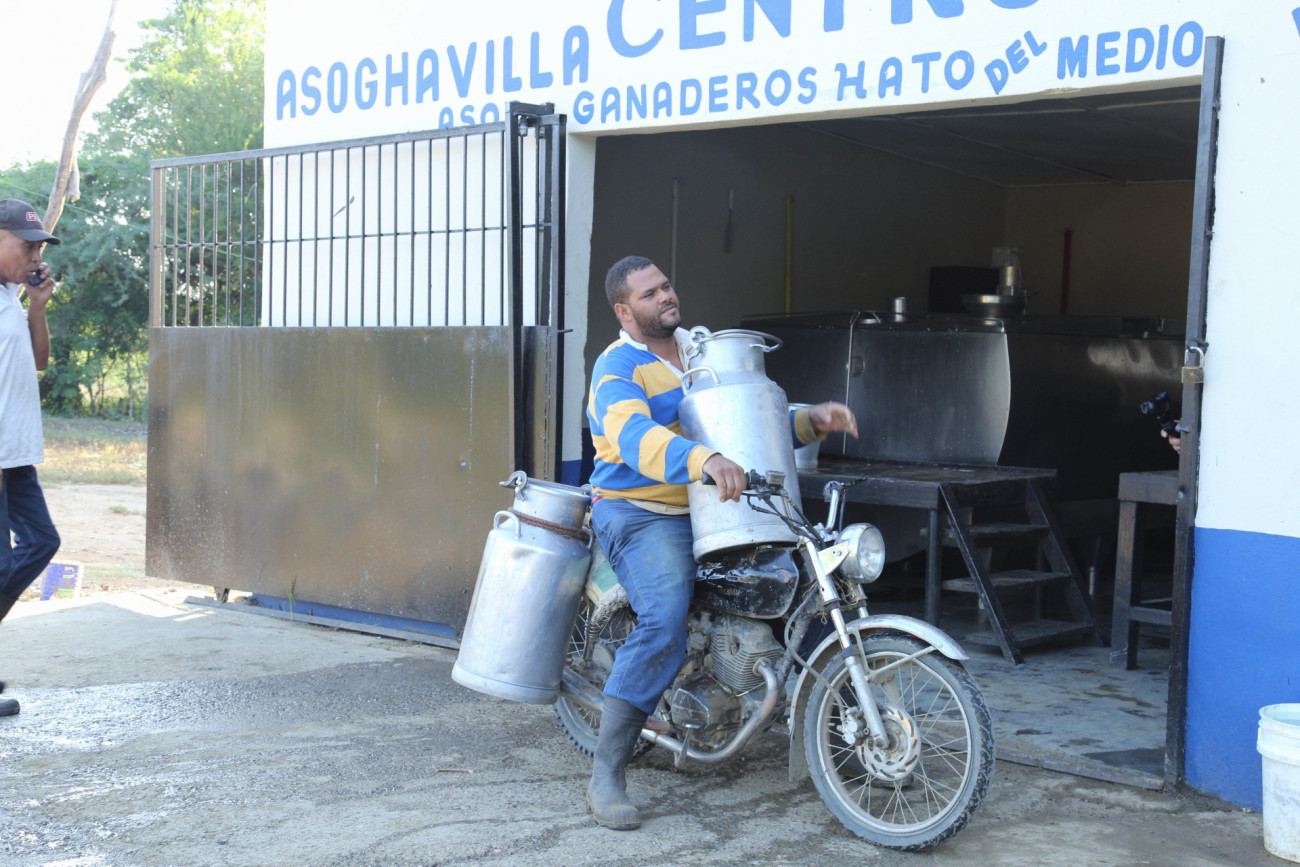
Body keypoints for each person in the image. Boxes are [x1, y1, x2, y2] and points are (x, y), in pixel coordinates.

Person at [583, 255, 857, 830]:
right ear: (624, 311)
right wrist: (704, 459)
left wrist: (809, 421)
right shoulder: (617, 366)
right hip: (641, 510)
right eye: (650, 293)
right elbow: (632, 436)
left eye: (666, 286)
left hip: (712, 505)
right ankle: (607, 773)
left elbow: (737, 418)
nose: (666, 296)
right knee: (665, 615)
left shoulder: (701, 353)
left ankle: (843, 733)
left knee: (805, 583)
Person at [0, 199, 63, 718]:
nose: (35, 257)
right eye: (26, 246)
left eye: (39, 248)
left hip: (15, 455)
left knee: (42, 541)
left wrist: (37, 306)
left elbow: (38, 362)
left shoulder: (10, 296)